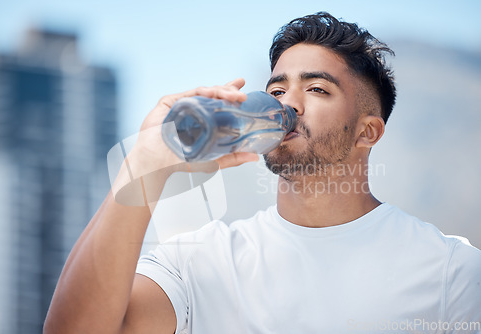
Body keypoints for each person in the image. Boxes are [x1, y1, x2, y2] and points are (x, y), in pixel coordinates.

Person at [44, 12, 481, 334]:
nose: (288, 103)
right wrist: (144, 162)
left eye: (316, 88)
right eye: (277, 89)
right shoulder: (202, 262)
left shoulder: (450, 272)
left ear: (367, 132)